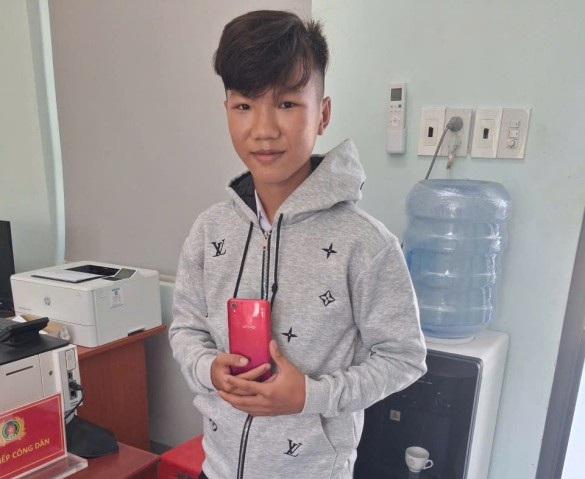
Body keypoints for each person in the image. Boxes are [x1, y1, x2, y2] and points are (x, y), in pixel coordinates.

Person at [169, 10, 427, 479]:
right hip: (218, 468)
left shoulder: (366, 244)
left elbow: (404, 358)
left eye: (287, 104)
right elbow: (186, 328)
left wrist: (311, 395)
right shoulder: (209, 231)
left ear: (322, 114)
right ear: (226, 111)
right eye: (244, 106)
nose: (263, 129)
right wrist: (208, 369)